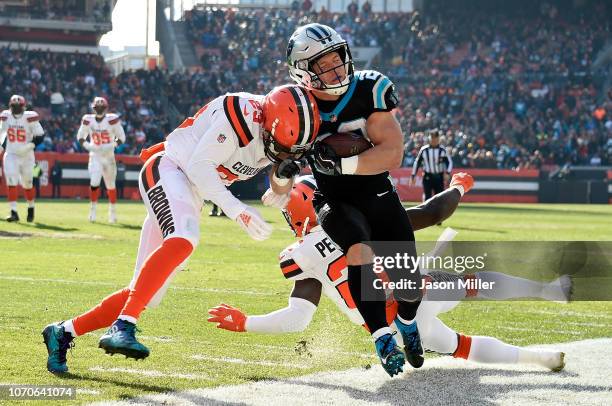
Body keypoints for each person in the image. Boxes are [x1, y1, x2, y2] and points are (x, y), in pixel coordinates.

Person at [41, 84, 320, 374]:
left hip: (189, 192)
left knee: (147, 291)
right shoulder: (240, 114)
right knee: (185, 238)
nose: (287, 152)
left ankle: (63, 332)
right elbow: (200, 167)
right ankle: (124, 325)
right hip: (169, 168)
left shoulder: (284, 131)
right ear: (267, 121)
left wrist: (284, 183)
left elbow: (281, 173)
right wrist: (238, 211)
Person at [209, 174, 566, 373]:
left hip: (386, 328)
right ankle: (547, 291)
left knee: (454, 344)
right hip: (413, 295)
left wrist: (246, 323)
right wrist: (459, 185)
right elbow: (432, 212)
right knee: (478, 281)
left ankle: (538, 359)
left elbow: (296, 319)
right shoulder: (360, 219)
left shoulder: (300, 255)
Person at [283, 23, 421, 376]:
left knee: (409, 286)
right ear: (303, 70)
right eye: (324, 64)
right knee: (358, 247)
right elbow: (278, 165)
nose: (336, 69)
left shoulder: (369, 89)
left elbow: (392, 153)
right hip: (333, 198)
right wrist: (282, 173)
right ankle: (380, 336)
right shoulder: (293, 105)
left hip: (377, 192)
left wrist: (343, 162)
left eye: (337, 59)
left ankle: (406, 321)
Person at [77, 97, 126, 223]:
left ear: (105, 108)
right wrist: (88, 146)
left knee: (111, 185)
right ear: (93, 108)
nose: (99, 109)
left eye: (101, 107)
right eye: (97, 107)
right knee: (94, 182)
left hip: (109, 156)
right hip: (95, 156)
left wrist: (113, 145)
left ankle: (112, 212)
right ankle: (92, 211)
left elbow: (122, 137)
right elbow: (80, 136)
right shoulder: (88, 119)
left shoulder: (112, 119)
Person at [0, 95, 44, 222]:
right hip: (11, 153)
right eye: (14, 106)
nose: (16, 109)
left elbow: (40, 136)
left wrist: (28, 146)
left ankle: (31, 207)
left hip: (27, 155)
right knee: (11, 181)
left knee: (27, 184)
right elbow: (2, 134)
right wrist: (1, 148)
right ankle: (14, 212)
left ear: (24, 106)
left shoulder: (30, 116)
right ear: (10, 106)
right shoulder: (5, 116)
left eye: (18, 106)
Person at [411, 129, 453, 201]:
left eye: (435, 139)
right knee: (427, 197)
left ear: (438, 139)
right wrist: (413, 175)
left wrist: (447, 173)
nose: (434, 141)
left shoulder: (442, 150)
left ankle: (438, 212)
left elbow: (449, 162)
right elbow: (417, 162)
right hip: (427, 176)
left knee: (439, 198)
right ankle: (426, 212)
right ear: (429, 139)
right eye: (432, 139)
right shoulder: (424, 150)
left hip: (439, 176)